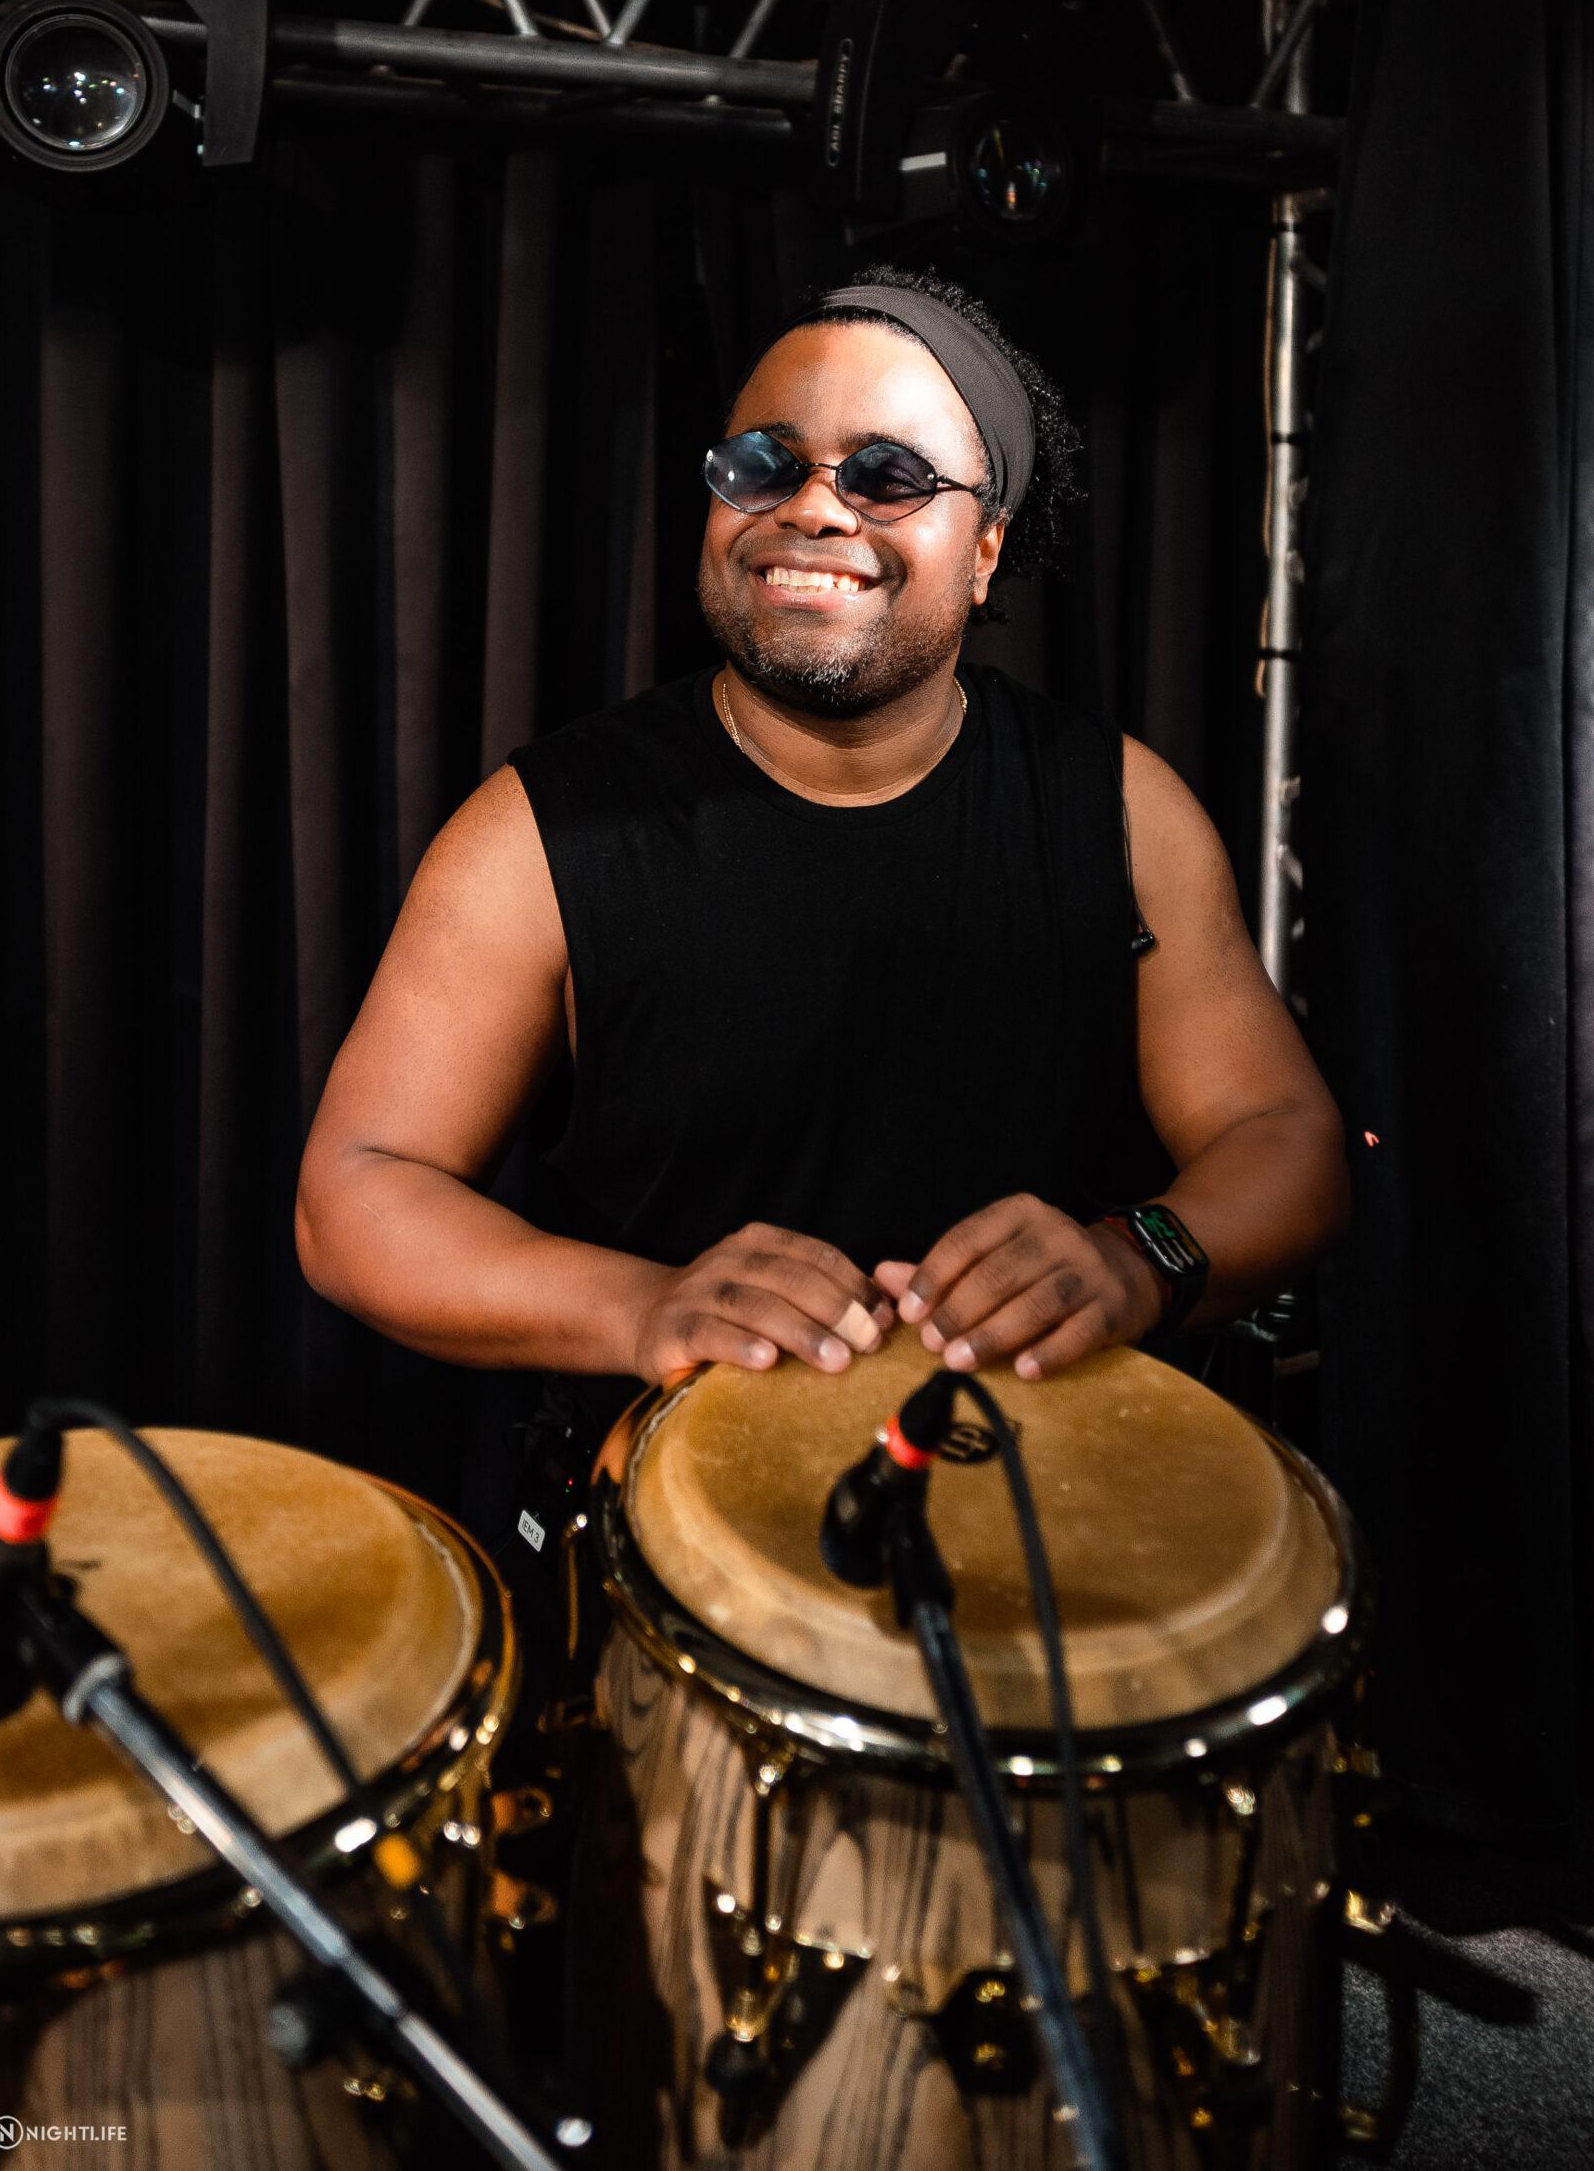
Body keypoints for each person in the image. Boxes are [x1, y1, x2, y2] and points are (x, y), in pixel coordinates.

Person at [296, 266, 1348, 1461]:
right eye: (763, 464)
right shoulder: (542, 830)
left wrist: (1135, 1256)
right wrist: (642, 1306)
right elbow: (355, 1191)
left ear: (985, 548)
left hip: (1049, 1495)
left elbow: (1285, 1136)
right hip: (677, 1506)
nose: (812, 507)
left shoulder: (1119, 808)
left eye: (885, 476)